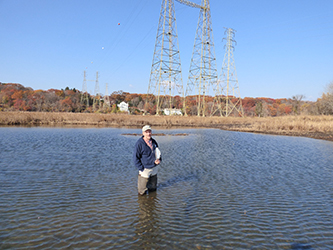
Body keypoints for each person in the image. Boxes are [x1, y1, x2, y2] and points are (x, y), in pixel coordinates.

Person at [133, 125, 161, 195]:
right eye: (146, 132)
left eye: (149, 131)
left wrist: (159, 159)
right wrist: (141, 168)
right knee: (142, 192)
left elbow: (158, 152)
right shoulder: (139, 143)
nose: (148, 134)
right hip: (145, 170)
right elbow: (135, 158)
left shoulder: (154, 142)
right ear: (143, 133)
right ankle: (143, 204)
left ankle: (152, 203)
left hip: (154, 169)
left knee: (153, 189)